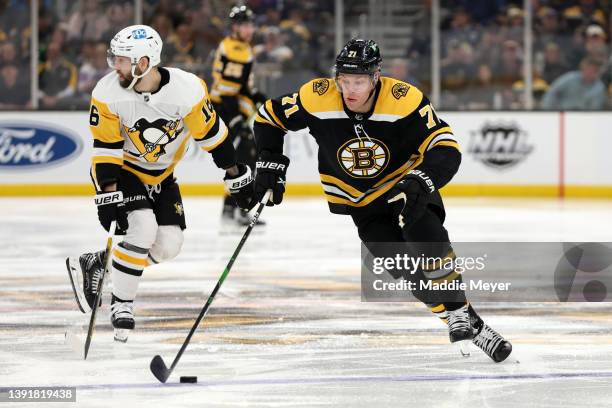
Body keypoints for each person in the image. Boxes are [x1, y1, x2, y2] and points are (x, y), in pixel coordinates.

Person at [251, 38, 513, 362]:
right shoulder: (316, 96)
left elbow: (446, 147)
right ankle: (470, 324)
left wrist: (422, 179)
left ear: (376, 76)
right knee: (407, 271)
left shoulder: (403, 100)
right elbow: (268, 117)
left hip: (405, 189)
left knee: (425, 236)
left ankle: (457, 308)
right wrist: (269, 163)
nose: (349, 89)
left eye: (358, 81)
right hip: (361, 203)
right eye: (344, 80)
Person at [65, 25, 253, 342]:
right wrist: (108, 194)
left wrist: (235, 174)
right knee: (142, 229)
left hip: (163, 176)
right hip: (123, 169)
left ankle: (100, 264)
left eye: (122, 60)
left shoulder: (188, 90)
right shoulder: (108, 92)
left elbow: (213, 137)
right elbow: (106, 149)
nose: (115, 66)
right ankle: (121, 305)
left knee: (168, 245)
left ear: (143, 62)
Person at [210, 5, 267, 226]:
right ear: (235, 27)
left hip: (230, 106)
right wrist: (235, 118)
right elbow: (228, 90)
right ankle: (238, 207)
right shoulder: (234, 49)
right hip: (224, 108)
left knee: (244, 156)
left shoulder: (242, 47)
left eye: (251, 24)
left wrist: (256, 96)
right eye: (245, 24)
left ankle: (230, 207)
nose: (249, 28)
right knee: (245, 156)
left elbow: (241, 86)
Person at [541, 57, 606, 110]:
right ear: (582, 69)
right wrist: (548, 111)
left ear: (597, 73)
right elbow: (552, 92)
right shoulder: (570, 78)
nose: (589, 73)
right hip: (562, 115)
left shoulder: (599, 88)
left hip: (584, 119)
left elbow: (595, 109)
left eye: (593, 71)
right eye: (588, 69)